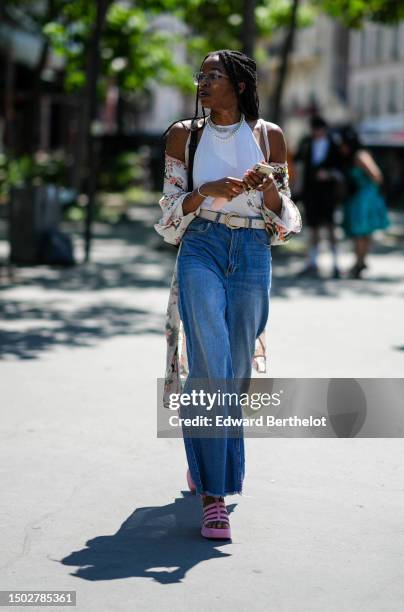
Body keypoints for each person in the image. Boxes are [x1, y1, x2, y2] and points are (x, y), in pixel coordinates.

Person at [154, 49, 302, 540]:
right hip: (201, 246)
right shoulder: (183, 134)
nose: (203, 81)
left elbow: (283, 222)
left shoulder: (269, 137)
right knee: (209, 364)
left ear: (239, 84)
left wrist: (268, 188)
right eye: (201, 74)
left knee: (235, 373)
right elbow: (170, 214)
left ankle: (207, 456)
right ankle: (214, 496)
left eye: (214, 74)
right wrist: (206, 191)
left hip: (253, 250)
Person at [338, 126, 390, 278]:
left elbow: (376, 175)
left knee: (361, 232)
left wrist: (364, 190)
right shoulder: (352, 157)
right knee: (362, 233)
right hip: (359, 198)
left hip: (364, 198)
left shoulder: (360, 155)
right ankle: (360, 262)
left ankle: (359, 263)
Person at [295, 116, 342, 278]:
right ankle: (312, 263)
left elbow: (341, 169)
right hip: (310, 192)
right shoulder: (307, 143)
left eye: (319, 129)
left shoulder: (334, 145)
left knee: (330, 227)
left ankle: (336, 264)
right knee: (312, 227)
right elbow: (298, 162)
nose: (316, 132)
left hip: (328, 193)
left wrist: (328, 174)